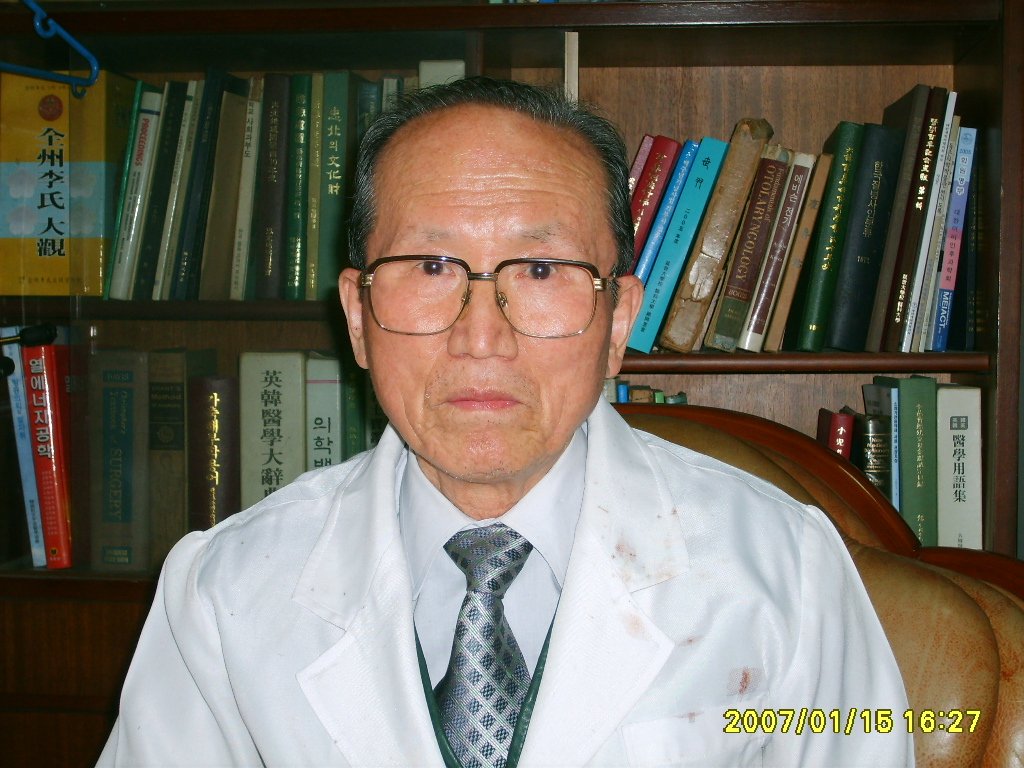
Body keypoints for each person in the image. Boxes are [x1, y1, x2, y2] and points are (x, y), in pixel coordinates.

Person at [98, 77, 912, 767]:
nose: (481, 336)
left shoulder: (786, 575)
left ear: (619, 320)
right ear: (357, 315)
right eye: (430, 266)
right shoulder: (223, 595)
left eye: (542, 269)